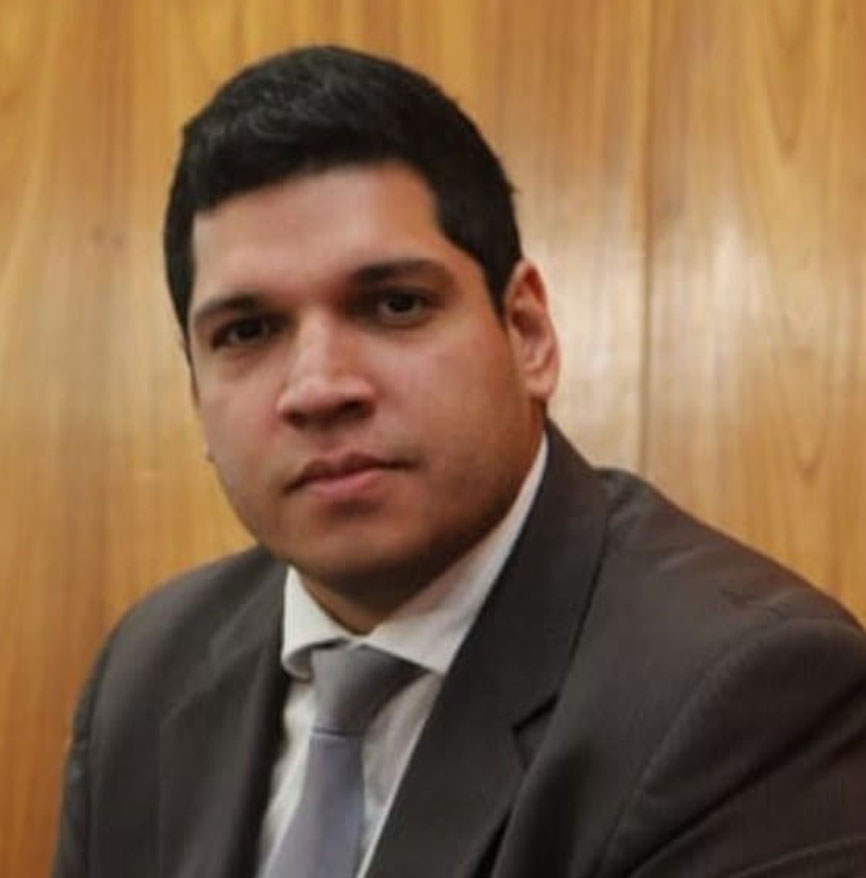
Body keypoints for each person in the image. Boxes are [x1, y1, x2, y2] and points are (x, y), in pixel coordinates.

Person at [52, 45, 866, 878]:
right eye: (248, 332)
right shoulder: (147, 670)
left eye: (394, 305)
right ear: (196, 396)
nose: (319, 388)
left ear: (528, 335)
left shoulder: (746, 692)